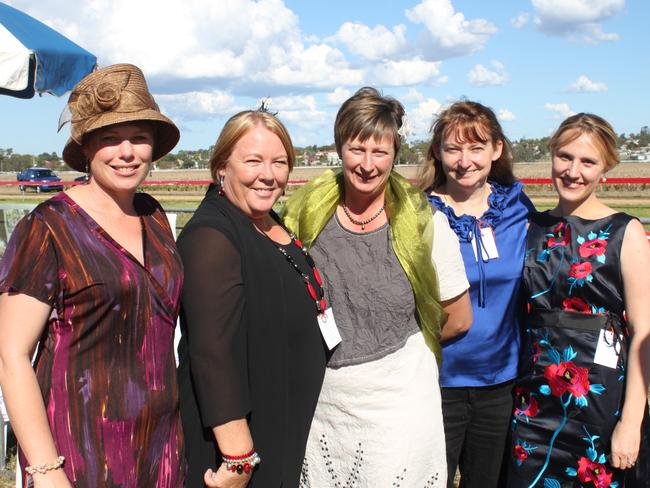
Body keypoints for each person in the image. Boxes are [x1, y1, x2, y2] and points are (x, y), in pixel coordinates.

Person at [0, 64, 185, 486]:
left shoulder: (154, 217)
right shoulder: (48, 227)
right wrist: (46, 471)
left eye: (139, 138)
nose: (126, 151)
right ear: (86, 148)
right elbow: (11, 355)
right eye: (109, 139)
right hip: (79, 448)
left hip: (161, 447)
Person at [283, 87, 472, 487]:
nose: (368, 164)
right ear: (339, 148)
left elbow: (457, 319)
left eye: (380, 152)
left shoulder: (426, 226)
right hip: (324, 404)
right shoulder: (302, 218)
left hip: (399, 407)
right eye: (357, 149)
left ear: (395, 154)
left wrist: (394, 350)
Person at [176, 108, 327, 487]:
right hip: (242, 447)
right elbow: (212, 353)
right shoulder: (211, 237)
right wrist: (239, 457)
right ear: (222, 167)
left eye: (279, 162)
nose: (268, 175)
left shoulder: (267, 220)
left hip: (281, 423)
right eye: (253, 161)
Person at [506, 113, 650, 487]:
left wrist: (631, 422)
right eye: (565, 157)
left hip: (599, 408)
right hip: (532, 406)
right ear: (551, 155)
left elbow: (644, 332)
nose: (573, 171)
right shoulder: (529, 227)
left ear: (606, 169)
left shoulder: (625, 232)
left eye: (588, 162)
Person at [419, 100, 535, 488]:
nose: (464, 160)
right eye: (453, 148)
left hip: (500, 384)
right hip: (435, 383)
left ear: (496, 150)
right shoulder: (419, 214)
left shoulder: (517, 208)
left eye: (476, 147)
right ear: (437, 152)